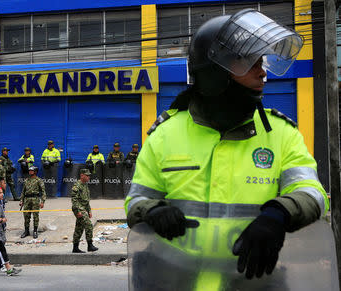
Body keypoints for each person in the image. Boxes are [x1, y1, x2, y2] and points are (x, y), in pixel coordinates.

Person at [125, 9, 328, 280]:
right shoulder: (165, 134)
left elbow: (313, 193)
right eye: (250, 63)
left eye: (262, 62)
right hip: (176, 281)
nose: (262, 74)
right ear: (214, 73)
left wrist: (278, 214)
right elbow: (135, 200)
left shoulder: (282, 134)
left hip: (254, 282)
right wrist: (152, 210)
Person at [71, 169, 98, 253]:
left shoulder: (85, 185)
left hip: (84, 207)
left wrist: (89, 210)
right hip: (78, 208)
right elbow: (74, 200)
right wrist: (77, 211)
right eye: (87, 175)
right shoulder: (77, 186)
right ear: (82, 175)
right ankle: (90, 245)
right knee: (89, 225)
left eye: (89, 175)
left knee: (79, 227)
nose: (89, 177)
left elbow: (86, 200)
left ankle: (75, 248)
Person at [19, 166, 47, 239]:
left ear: (35, 172)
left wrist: (42, 202)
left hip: (35, 199)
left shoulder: (39, 180)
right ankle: (26, 231)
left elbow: (43, 192)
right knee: (26, 216)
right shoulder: (26, 180)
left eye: (31, 170)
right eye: (29, 170)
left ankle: (35, 231)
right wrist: (21, 200)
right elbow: (23, 192)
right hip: (27, 200)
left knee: (35, 216)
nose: (30, 172)